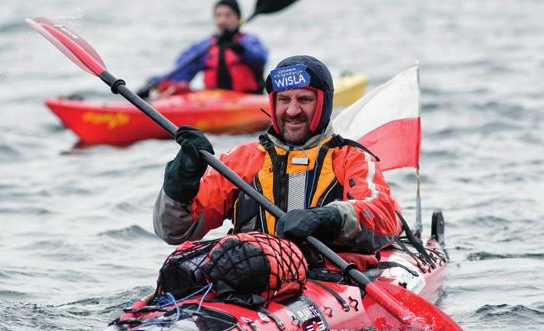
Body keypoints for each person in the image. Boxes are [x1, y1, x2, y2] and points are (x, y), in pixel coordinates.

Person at [153, 55, 402, 260]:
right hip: (252, 279)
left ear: (323, 104)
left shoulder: (351, 158)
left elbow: (384, 215)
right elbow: (173, 232)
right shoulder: (241, 160)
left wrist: (328, 217)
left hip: (330, 278)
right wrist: (180, 184)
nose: (292, 111)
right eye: (283, 100)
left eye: (304, 99)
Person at [138, 0, 268, 98]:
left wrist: (239, 48)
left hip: (248, 98)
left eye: (228, 15)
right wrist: (155, 82)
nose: (222, 20)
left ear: (238, 18)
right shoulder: (206, 45)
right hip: (214, 99)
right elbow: (181, 71)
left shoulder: (248, 41)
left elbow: (261, 58)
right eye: (218, 15)